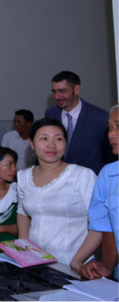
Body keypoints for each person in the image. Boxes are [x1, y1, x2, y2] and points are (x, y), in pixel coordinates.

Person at [16, 118, 96, 265]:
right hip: (35, 262)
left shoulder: (82, 176)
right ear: (32, 144)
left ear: (66, 143)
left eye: (58, 139)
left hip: (73, 263)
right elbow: (22, 213)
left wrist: (78, 260)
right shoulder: (24, 177)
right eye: (44, 138)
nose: (51, 145)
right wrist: (23, 250)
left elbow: (99, 224)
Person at [72, 105, 119, 280]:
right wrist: (107, 266)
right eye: (110, 127)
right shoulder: (108, 174)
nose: (111, 134)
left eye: (118, 126)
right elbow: (107, 226)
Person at [45, 71, 114, 175]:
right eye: (54, 92)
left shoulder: (100, 117)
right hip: (56, 180)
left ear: (77, 89)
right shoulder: (51, 113)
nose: (57, 97)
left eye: (62, 91)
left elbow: (109, 157)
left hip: (88, 183)